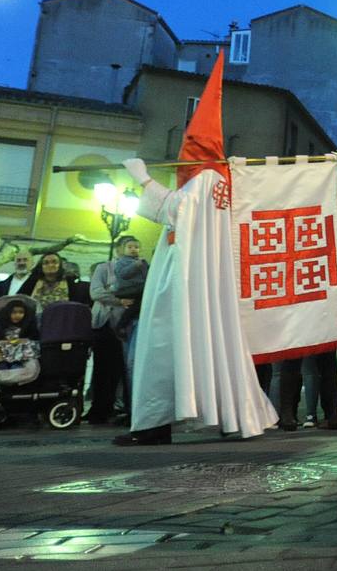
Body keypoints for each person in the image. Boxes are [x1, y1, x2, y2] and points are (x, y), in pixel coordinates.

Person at [118, 51, 278, 446]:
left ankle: (154, 425)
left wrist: (142, 180)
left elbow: (176, 211)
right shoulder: (217, 178)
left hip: (185, 274)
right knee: (203, 346)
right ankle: (226, 417)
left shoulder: (206, 178)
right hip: (197, 272)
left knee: (160, 343)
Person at [87, 237, 141, 424]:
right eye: (130, 246)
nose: (134, 250)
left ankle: (127, 409)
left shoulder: (140, 269)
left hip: (128, 325)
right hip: (104, 323)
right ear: (119, 250)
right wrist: (120, 300)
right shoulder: (104, 268)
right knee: (103, 369)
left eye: (137, 247)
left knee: (127, 368)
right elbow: (95, 292)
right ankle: (101, 409)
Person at [6, 252, 90, 308]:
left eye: (54, 262)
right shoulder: (32, 281)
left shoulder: (70, 282)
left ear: (60, 265)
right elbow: (19, 301)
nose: (50, 265)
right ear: (41, 266)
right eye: (46, 263)